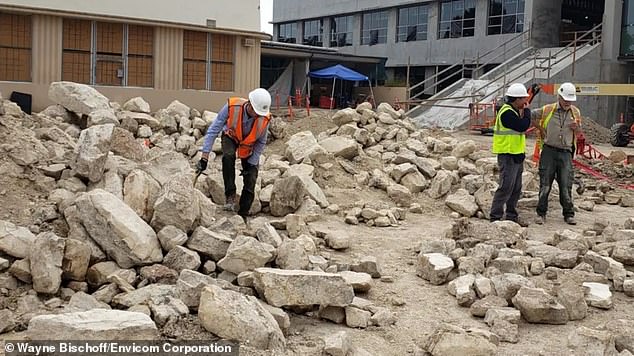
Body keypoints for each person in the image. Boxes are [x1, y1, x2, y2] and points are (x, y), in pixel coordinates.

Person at [197, 88, 272, 222]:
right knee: (228, 156)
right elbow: (214, 130)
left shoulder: (264, 118)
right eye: (255, 112)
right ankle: (230, 195)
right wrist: (204, 156)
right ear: (249, 103)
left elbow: (261, 142)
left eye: (259, 114)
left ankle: (243, 213)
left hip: (249, 145)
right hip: (231, 136)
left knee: (251, 178)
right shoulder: (232, 106)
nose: (257, 116)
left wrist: (251, 162)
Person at [531, 82, 582, 225]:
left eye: (570, 100)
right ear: (559, 96)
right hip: (549, 151)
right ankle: (541, 213)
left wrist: (576, 128)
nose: (567, 102)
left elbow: (580, 133)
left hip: (566, 153)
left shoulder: (575, 112)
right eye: (565, 99)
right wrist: (540, 128)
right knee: (545, 185)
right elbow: (530, 115)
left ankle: (568, 214)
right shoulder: (547, 110)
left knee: (566, 185)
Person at [489, 83, 532, 226]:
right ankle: (495, 216)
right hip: (507, 155)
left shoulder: (513, 111)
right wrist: (527, 112)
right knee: (506, 187)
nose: (525, 102)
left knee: (516, 188)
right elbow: (522, 126)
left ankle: (511, 216)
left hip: (516, 154)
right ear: (516, 99)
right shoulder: (506, 112)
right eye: (523, 99)